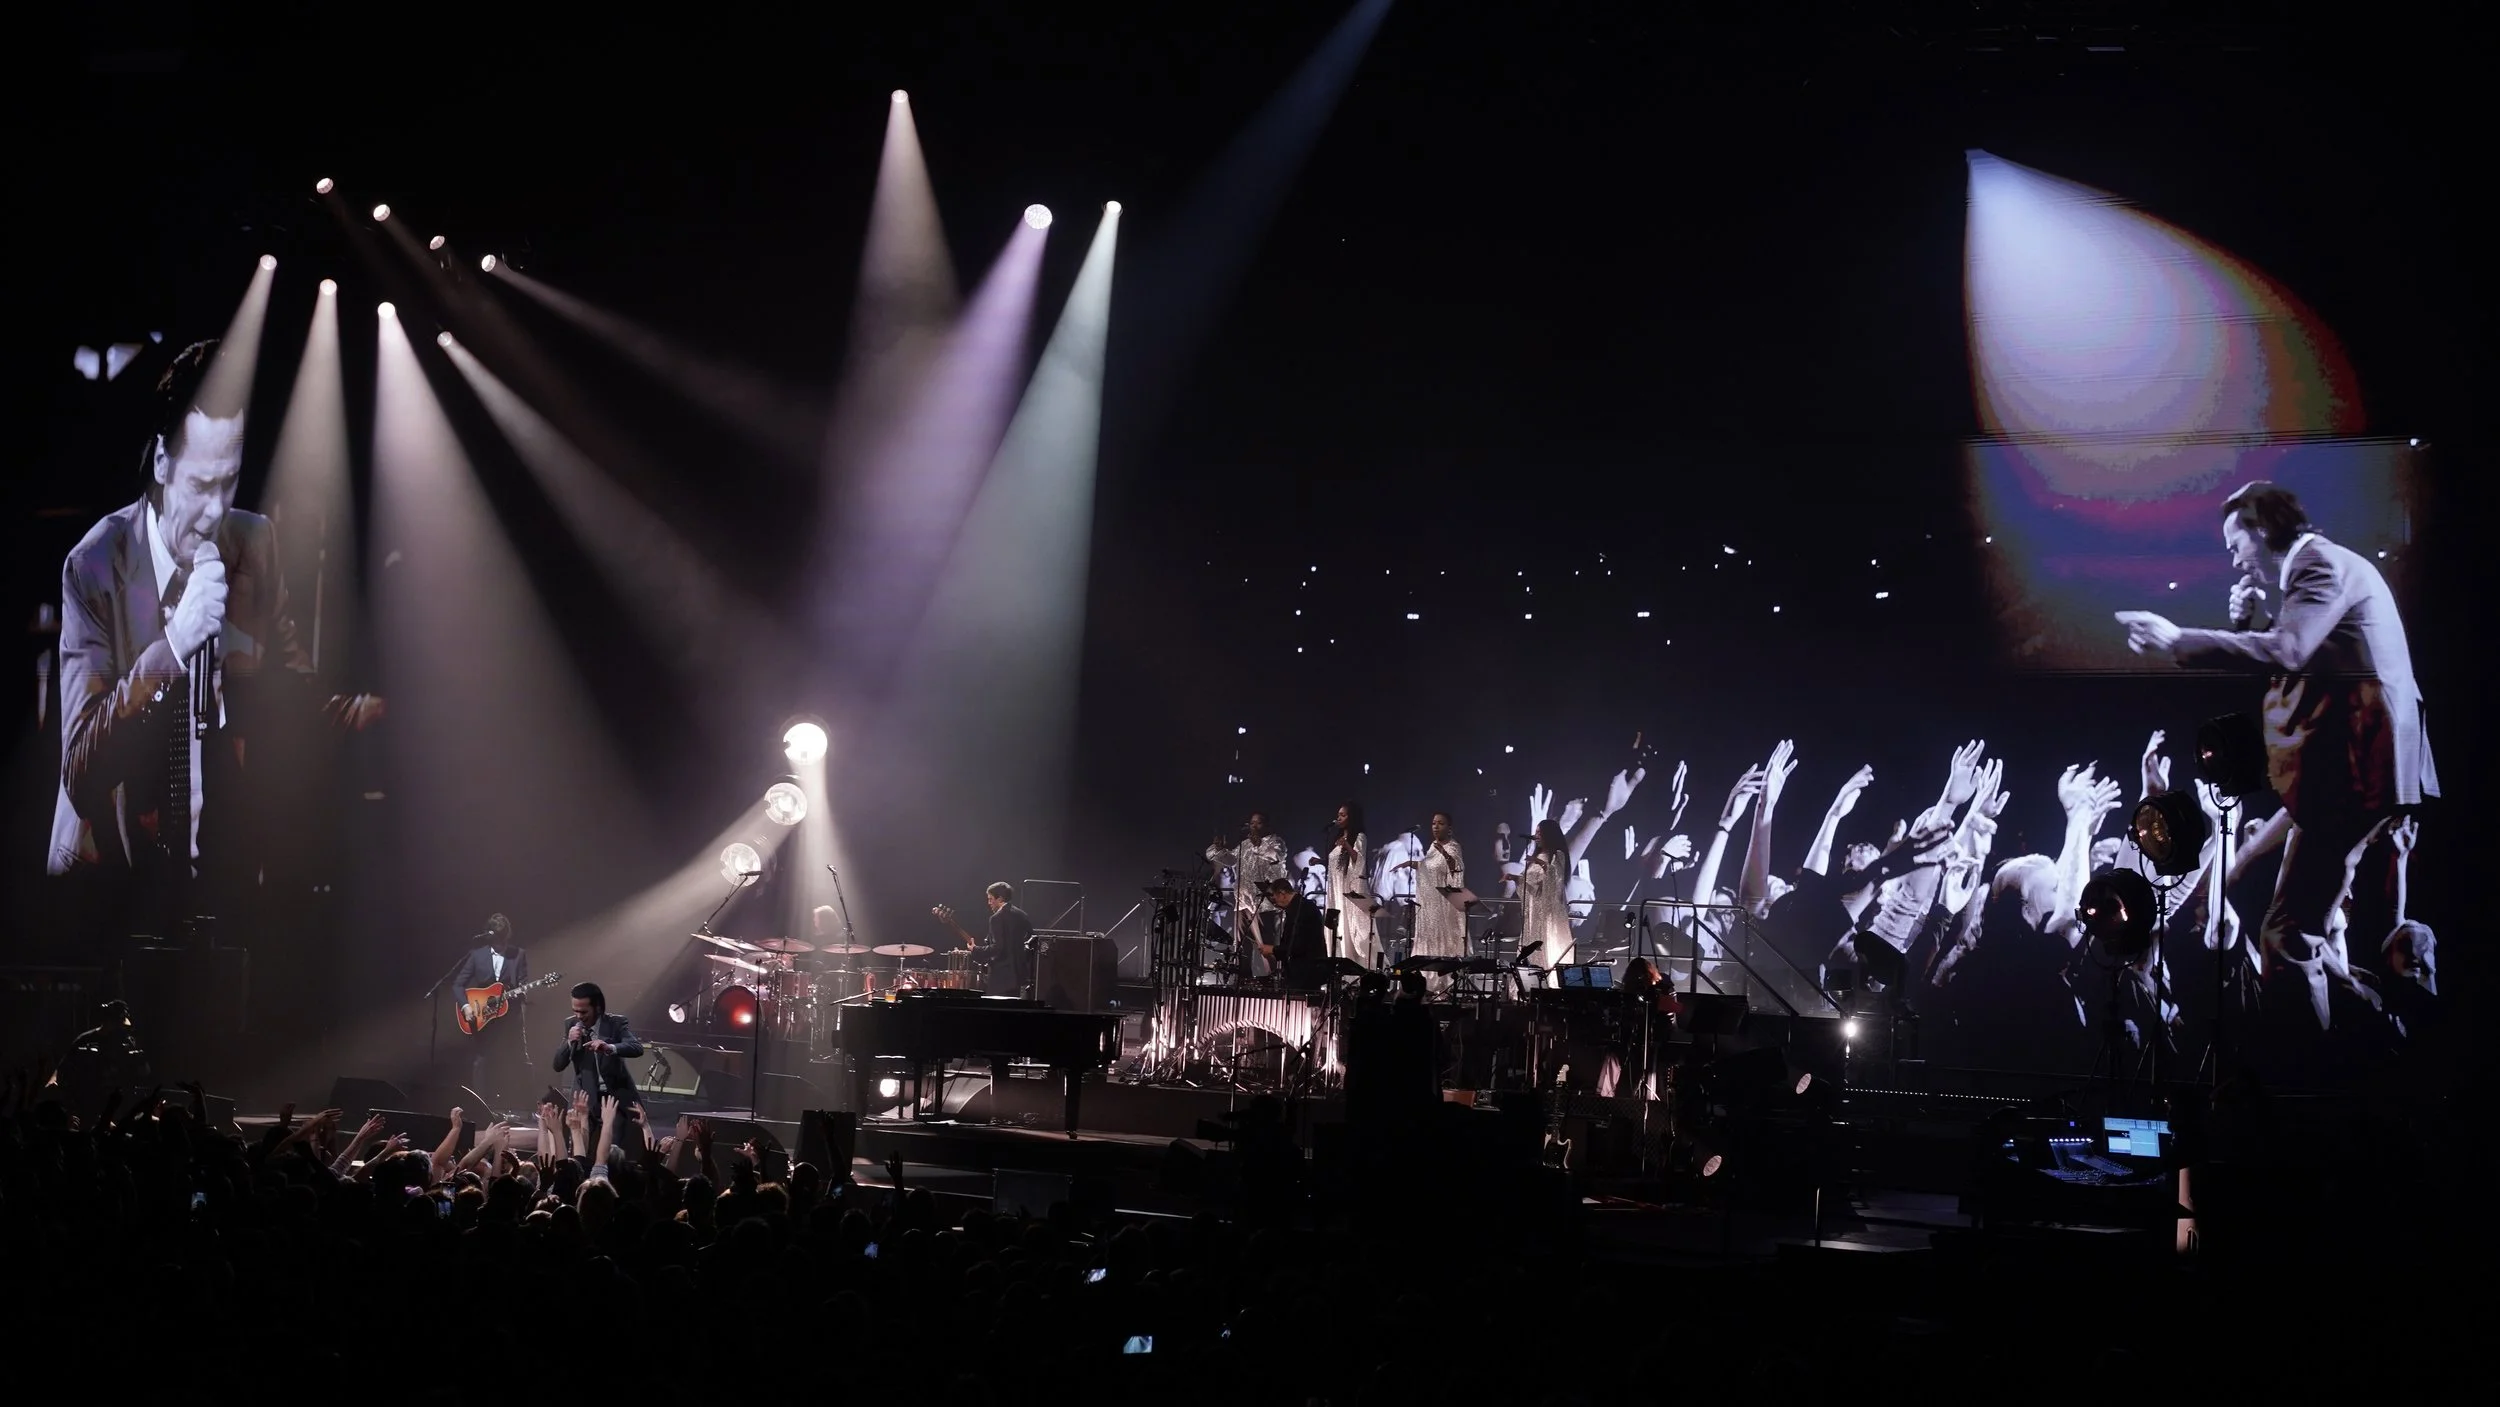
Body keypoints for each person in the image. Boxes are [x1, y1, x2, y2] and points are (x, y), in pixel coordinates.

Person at [48, 339, 380, 923]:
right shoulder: (96, 564)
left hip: (219, 889)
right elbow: (81, 769)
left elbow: (292, 706)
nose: (213, 510)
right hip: (108, 892)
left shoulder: (253, 543)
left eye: (228, 483)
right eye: (200, 486)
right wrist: (173, 648)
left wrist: (382, 715)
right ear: (160, 463)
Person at [2119, 481, 2437, 1023]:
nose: (2231, 554)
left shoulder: (2318, 564)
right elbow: (2314, 658)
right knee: (2273, 913)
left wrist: (2179, 641)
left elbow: (2292, 652)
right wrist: (2258, 623)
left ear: (2262, 530)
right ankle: (2367, 1031)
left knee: (2288, 935)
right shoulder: (2318, 571)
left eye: (2234, 541)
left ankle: (2316, 1079)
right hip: (2356, 773)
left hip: (2359, 770)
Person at [552, 982, 644, 1159]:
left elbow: (636, 1047)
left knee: (613, 1152)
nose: (579, 1016)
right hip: (585, 1097)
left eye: (584, 1012)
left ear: (598, 1008)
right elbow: (557, 1065)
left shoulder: (616, 1023)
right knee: (581, 1150)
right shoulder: (571, 1024)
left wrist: (608, 1047)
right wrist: (569, 1041)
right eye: (575, 1011)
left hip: (614, 1097)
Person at [455, 914, 530, 1105]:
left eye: (502, 938)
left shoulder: (518, 954)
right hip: (483, 1016)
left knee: (512, 1060)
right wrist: (465, 1006)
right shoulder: (476, 954)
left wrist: (520, 992)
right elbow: (458, 985)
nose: (499, 942)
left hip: (509, 1017)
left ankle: (516, 1104)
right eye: (496, 938)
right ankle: (480, 1104)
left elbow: (523, 984)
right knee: (481, 1061)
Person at [1206, 812, 1288, 976]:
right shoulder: (1244, 845)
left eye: (1258, 823)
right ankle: (1243, 979)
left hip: (1264, 903)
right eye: (1252, 823)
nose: (1254, 826)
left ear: (1267, 826)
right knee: (1242, 945)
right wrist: (1219, 849)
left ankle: (1274, 980)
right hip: (1243, 902)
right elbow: (1229, 859)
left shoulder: (1276, 842)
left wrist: (1260, 846)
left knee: (1266, 944)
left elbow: (1276, 856)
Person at [1324, 802, 1376, 967]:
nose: (1338, 818)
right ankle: (1337, 965)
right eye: (1338, 814)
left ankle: (1357, 965)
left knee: (1351, 928)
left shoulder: (1359, 837)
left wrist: (1346, 845)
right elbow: (1335, 864)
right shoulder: (1337, 839)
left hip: (1349, 887)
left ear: (1351, 818)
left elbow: (1359, 860)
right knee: (1336, 927)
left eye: (1343, 815)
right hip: (1336, 888)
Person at [1517, 818, 1572, 969]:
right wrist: (1515, 879)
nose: (1537, 836)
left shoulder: (1557, 854)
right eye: (1536, 832)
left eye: (1540, 833)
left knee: (1547, 946)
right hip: (1534, 912)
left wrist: (1540, 862)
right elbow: (1531, 884)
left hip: (1549, 913)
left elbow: (1556, 878)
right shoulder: (1537, 856)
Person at [1260, 874, 1329, 991]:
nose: (1274, 902)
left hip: (1306, 973)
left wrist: (1273, 949)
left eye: (1274, 898)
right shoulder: (1297, 908)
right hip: (1301, 971)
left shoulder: (1303, 909)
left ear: (1282, 894)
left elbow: (1299, 945)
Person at [978, 881, 1035, 998]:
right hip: (1020, 975)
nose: (989, 903)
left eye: (990, 899)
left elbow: (998, 948)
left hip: (1001, 976)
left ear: (1000, 899)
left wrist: (976, 950)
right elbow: (1032, 940)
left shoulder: (996, 918)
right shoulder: (1022, 915)